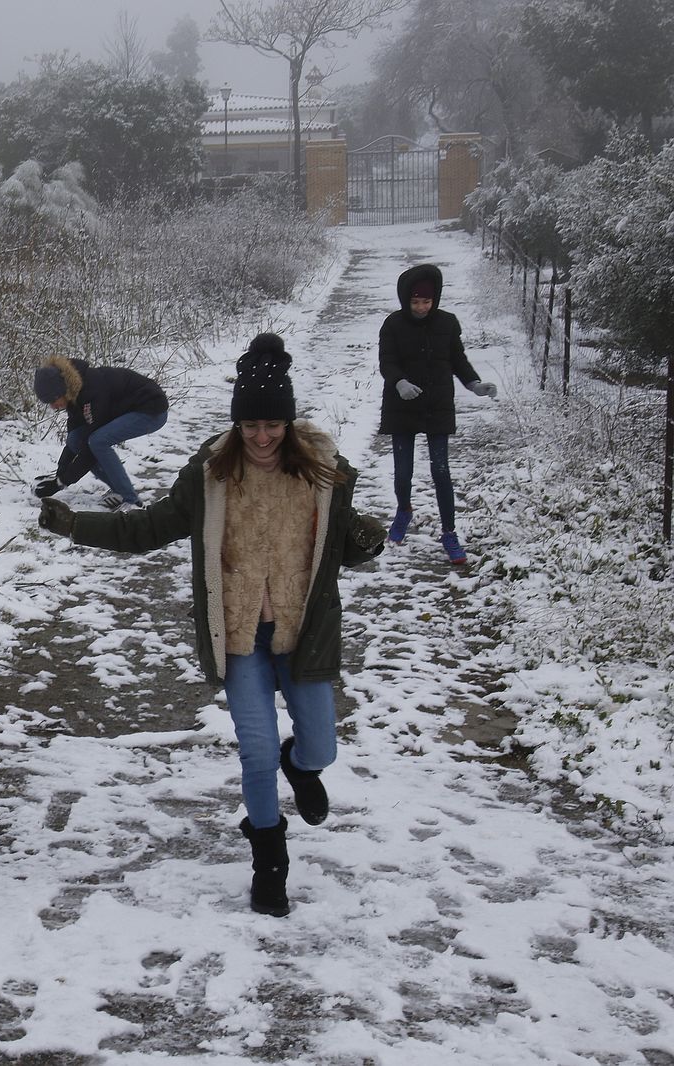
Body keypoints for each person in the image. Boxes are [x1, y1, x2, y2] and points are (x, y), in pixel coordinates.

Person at [38, 333, 385, 917]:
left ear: (289, 423)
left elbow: (338, 549)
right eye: (250, 426)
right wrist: (77, 525)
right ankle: (269, 861)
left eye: (273, 424)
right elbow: (148, 528)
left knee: (320, 747)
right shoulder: (210, 475)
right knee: (255, 754)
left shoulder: (324, 473)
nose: (262, 437)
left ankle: (302, 768)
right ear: (238, 424)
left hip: (303, 635)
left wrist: (363, 540)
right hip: (241, 633)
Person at [379, 263, 498, 565]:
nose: (421, 307)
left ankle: (449, 532)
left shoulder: (447, 323)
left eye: (427, 301)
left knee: (440, 470)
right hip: (402, 404)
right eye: (416, 301)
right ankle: (404, 510)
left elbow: (457, 359)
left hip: (437, 405)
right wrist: (399, 382)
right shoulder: (393, 324)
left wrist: (474, 383)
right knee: (403, 470)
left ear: (436, 300)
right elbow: (387, 362)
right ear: (406, 300)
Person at [31, 355, 168, 511]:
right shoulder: (74, 394)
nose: (53, 407)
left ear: (62, 389)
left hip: (151, 409)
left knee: (98, 441)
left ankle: (132, 501)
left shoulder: (91, 390)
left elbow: (89, 450)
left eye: (53, 400)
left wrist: (62, 482)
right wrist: (60, 472)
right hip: (127, 409)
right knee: (76, 439)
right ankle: (119, 491)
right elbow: (74, 436)